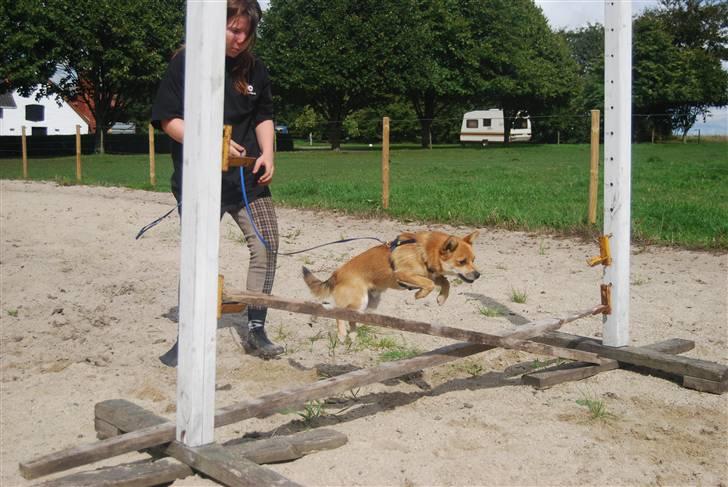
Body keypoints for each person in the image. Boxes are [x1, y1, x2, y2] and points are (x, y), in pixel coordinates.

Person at [151, 0, 283, 366]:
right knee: (200, 257)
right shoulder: (186, 62)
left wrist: (268, 153)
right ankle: (189, 335)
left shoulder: (255, 69)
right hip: (199, 181)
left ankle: (256, 327)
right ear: (215, 26)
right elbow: (168, 120)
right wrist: (212, 142)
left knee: (267, 245)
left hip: (247, 180)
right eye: (233, 30)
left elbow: (264, 115)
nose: (240, 39)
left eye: (246, 32)